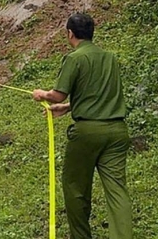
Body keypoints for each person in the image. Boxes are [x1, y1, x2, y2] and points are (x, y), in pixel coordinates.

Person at [33, 13, 132, 239]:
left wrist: (42, 94)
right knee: (118, 192)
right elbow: (100, 94)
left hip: (87, 133)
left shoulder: (75, 58)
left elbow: (56, 95)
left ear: (70, 33)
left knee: (75, 188)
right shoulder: (110, 58)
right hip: (117, 132)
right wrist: (69, 107)